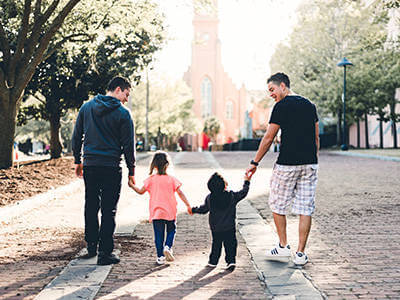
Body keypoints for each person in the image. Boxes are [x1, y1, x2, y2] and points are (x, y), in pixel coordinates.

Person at [246, 72, 319, 266]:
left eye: (272, 90)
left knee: (277, 205)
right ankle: (301, 254)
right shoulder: (310, 105)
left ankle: (283, 246)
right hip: (310, 164)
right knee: (305, 208)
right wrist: (313, 159)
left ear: (283, 86)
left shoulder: (281, 106)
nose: (271, 94)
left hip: (287, 164)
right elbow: (316, 137)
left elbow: (268, 138)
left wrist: (254, 163)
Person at [72, 76, 135, 265]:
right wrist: (132, 169)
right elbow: (128, 145)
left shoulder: (86, 107)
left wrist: (78, 161)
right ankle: (105, 253)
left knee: (90, 205)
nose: (126, 99)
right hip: (111, 167)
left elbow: (76, 136)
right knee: (109, 210)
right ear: (117, 89)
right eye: (126, 94)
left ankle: (91, 247)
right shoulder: (124, 114)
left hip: (91, 165)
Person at [128, 151, 192, 265]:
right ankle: (168, 246)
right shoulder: (172, 179)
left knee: (159, 235)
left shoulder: (151, 180)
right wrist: (188, 205)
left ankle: (160, 257)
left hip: (156, 212)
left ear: (154, 165)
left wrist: (132, 185)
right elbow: (180, 193)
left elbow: (140, 191)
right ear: (167, 165)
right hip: (170, 211)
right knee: (172, 230)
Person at [191, 172, 252, 271]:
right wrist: (247, 182)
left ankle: (213, 262)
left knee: (216, 244)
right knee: (231, 244)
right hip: (229, 226)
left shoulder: (210, 198)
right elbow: (243, 192)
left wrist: (194, 210)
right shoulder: (232, 196)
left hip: (216, 228)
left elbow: (204, 209)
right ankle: (231, 261)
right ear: (224, 185)